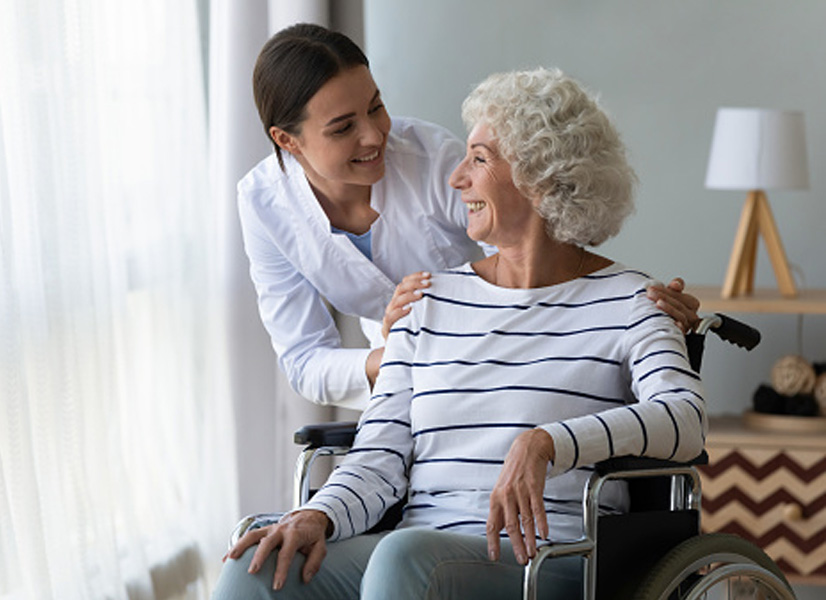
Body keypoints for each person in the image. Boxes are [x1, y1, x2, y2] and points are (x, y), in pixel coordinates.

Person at [214, 66, 707, 600]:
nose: (456, 179)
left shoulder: (632, 301)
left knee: (407, 559)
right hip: (414, 551)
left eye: (478, 159)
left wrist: (548, 443)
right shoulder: (426, 302)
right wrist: (317, 515)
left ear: (540, 177)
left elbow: (686, 418)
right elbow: (378, 455)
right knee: (258, 568)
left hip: (550, 558)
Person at [239, 23, 700, 409]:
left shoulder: (432, 159)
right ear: (288, 141)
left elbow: (530, 265)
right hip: (407, 391)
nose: (375, 135)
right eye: (343, 128)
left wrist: (630, 305)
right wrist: (398, 354)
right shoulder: (263, 206)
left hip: (513, 369)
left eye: (376, 107)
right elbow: (305, 360)